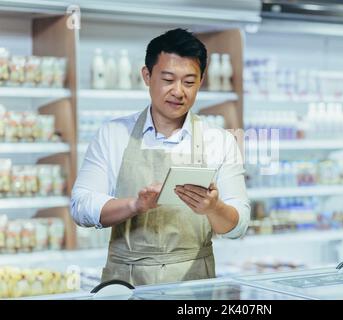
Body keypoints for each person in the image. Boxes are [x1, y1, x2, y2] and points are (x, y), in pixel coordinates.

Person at [71, 28, 250, 286]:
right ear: (147, 75)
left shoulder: (219, 140)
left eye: (189, 82)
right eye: (168, 79)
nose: (178, 91)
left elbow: (238, 226)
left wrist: (214, 208)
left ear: (201, 81)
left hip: (194, 286)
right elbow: (80, 206)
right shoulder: (113, 134)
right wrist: (135, 205)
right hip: (126, 283)